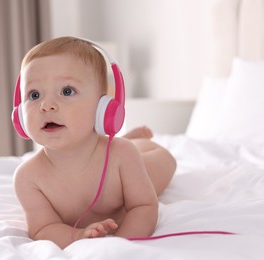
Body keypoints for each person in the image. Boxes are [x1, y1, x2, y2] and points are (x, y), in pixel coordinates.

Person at [13, 36, 176, 249]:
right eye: (34, 95)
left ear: (104, 108)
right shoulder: (28, 178)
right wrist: (79, 235)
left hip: (135, 159)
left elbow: (144, 206)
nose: (47, 105)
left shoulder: (122, 155)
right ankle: (131, 139)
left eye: (67, 91)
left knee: (165, 160)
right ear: (19, 116)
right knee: (124, 147)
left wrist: (119, 245)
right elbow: (43, 228)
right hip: (114, 150)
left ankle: (134, 140)